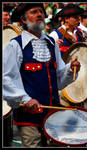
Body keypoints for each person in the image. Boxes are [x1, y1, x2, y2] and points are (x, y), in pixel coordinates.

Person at [3, 3, 81, 147]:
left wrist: (71, 69)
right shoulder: (15, 45)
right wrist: (25, 100)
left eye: (40, 11)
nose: (40, 14)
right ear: (24, 20)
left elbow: (59, 79)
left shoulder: (51, 43)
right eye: (34, 12)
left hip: (52, 114)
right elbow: (7, 79)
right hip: (28, 116)